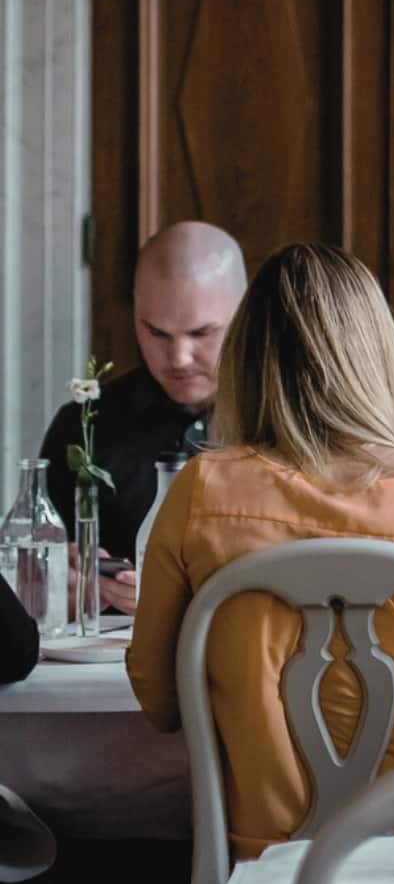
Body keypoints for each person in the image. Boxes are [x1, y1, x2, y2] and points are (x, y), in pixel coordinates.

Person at [124, 244, 394, 863]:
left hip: (262, 860)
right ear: (380, 361)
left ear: (244, 363)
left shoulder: (203, 491)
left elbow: (159, 700)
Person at [40, 222, 247, 614]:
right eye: (156, 333)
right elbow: (41, 569)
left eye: (201, 333)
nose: (179, 358)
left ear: (244, 314)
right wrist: (58, 580)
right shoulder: (82, 425)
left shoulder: (290, 420)